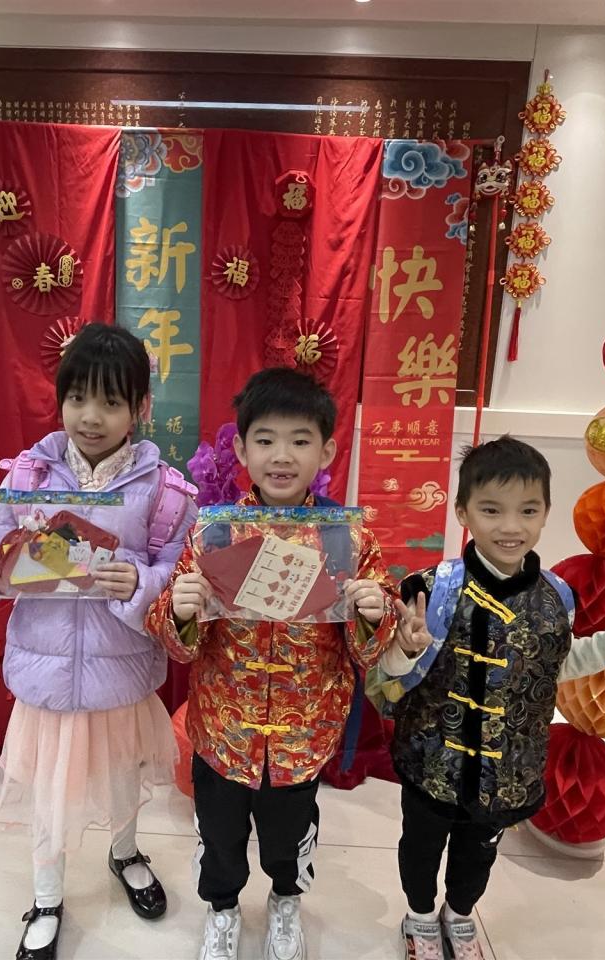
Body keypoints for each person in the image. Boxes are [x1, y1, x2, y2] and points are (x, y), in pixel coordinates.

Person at [0, 323, 197, 960]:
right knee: (48, 792)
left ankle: (125, 854)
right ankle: (47, 896)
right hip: (45, 674)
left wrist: (140, 580)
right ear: (61, 400)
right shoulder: (28, 476)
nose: (90, 417)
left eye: (110, 401)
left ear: (141, 407)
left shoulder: (165, 492)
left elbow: (178, 571)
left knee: (124, 776)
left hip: (121, 670)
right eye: (78, 398)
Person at [368, 436, 605, 960]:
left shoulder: (557, 597)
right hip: (431, 757)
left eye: (527, 510)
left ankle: (459, 915)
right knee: (420, 846)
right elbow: (387, 679)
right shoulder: (431, 587)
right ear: (463, 512)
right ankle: (419, 917)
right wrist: (402, 648)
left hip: (507, 767)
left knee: (477, 854)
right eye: (491, 510)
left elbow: (559, 666)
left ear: (546, 513)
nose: (511, 526)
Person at [146, 367, 398, 960]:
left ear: (327, 450)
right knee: (220, 838)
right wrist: (179, 608)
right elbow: (177, 644)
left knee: (288, 839)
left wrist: (373, 612)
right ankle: (223, 909)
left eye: (300, 440)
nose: (281, 456)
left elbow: (372, 650)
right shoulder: (213, 535)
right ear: (240, 448)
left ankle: (286, 900)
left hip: (302, 736)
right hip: (222, 732)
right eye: (265, 440)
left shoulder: (346, 540)